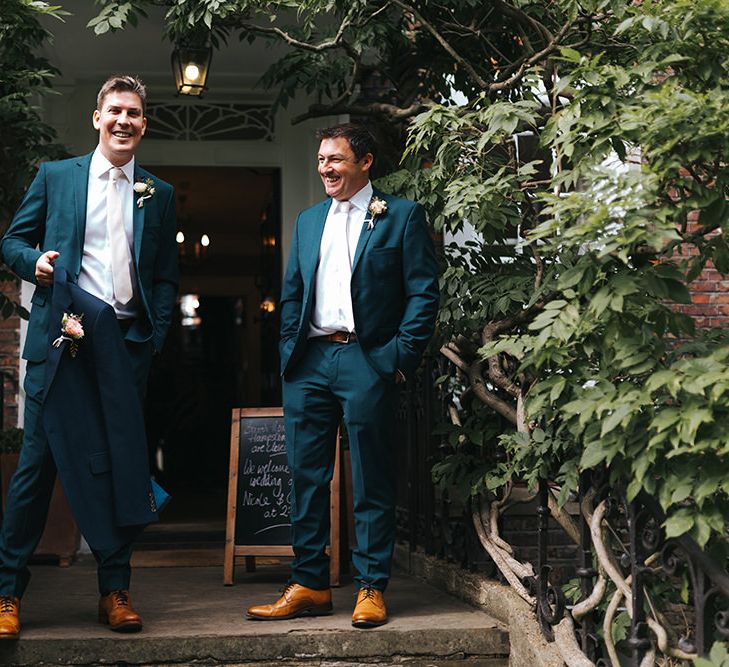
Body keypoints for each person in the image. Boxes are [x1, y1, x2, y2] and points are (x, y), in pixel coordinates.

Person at [0, 74, 178, 639]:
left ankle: (115, 590)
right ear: (96, 118)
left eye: (134, 113)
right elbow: (11, 242)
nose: (124, 121)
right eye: (115, 112)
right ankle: (7, 593)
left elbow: (165, 279)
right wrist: (36, 264)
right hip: (60, 346)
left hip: (123, 350)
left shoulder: (159, 192)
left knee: (118, 467)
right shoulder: (57, 177)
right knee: (35, 470)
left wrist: (152, 338)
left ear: (144, 124)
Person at [247, 123, 439, 628]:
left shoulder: (400, 216)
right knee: (305, 477)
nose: (324, 168)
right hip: (310, 361)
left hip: (367, 359)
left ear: (365, 161)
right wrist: (291, 346)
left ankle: (371, 587)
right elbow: (292, 290)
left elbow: (423, 292)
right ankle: (309, 582)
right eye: (320, 160)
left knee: (371, 476)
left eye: (335, 159)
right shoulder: (308, 221)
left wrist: (398, 357)